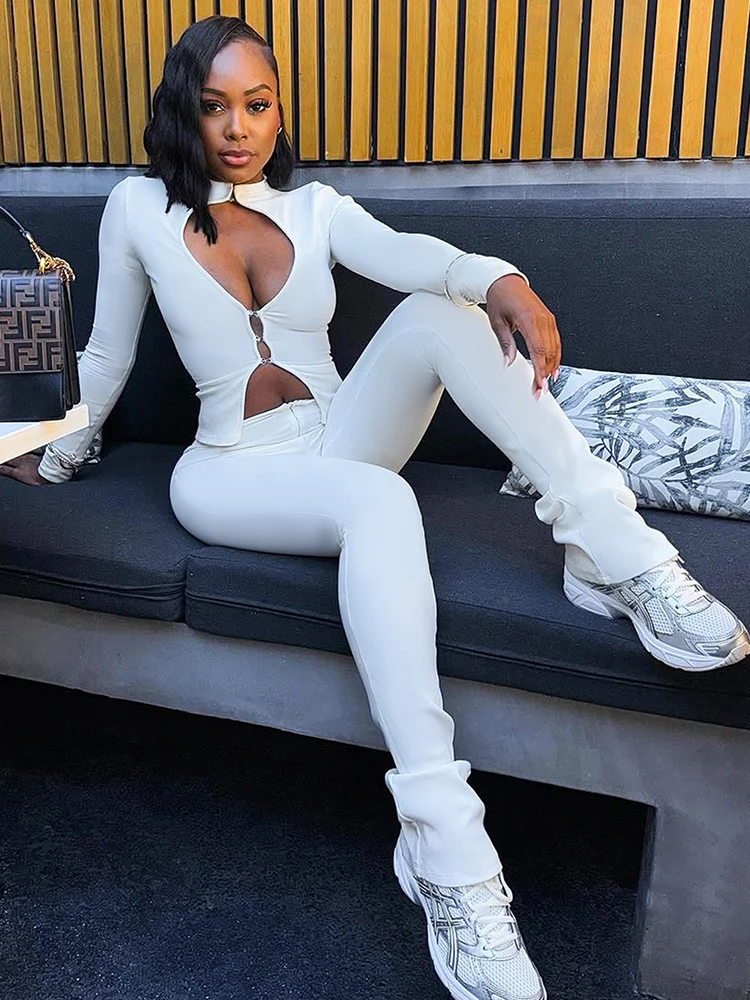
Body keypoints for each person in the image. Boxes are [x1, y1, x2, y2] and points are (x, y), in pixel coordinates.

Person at [1, 15, 747, 1000]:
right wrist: (51, 453)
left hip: (340, 437)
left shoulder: (316, 211)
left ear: (280, 112)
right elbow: (106, 353)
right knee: (379, 499)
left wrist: (501, 277)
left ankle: (614, 551)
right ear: (183, 111)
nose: (238, 126)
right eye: (214, 106)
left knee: (444, 311)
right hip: (228, 471)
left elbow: (411, 255)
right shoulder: (136, 207)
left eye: (257, 104)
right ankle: (445, 845)